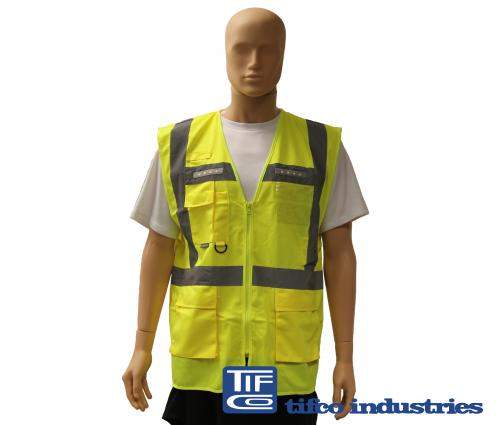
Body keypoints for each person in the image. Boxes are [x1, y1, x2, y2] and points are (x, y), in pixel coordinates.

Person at [122, 7, 369, 424]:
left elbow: (341, 253)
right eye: (241, 49)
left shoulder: (320, 146)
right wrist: (141, 345)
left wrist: (345, 356)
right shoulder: (181, 145)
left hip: (285, 367)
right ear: (224, 53)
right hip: (203, 365)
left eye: (267, 50)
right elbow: (158, 247)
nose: (254, 62)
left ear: (284, 56)